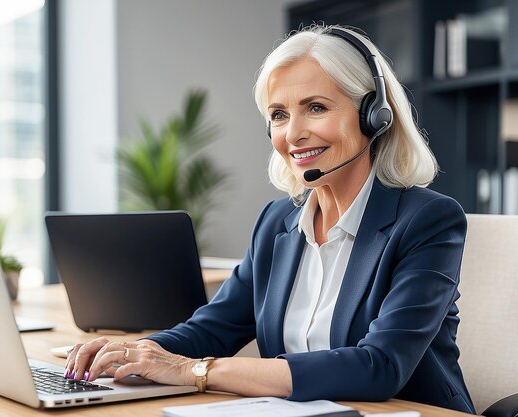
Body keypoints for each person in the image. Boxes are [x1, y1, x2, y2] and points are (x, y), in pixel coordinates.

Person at [65, 24, 475, 413]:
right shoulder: (277, 222)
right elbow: (212, 330)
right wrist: (133, 355)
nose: (293, 134)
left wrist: (199, 371)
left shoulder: (428, 221)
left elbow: (380, 366)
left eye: (315, 107)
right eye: (279, 115)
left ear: (374, 117)